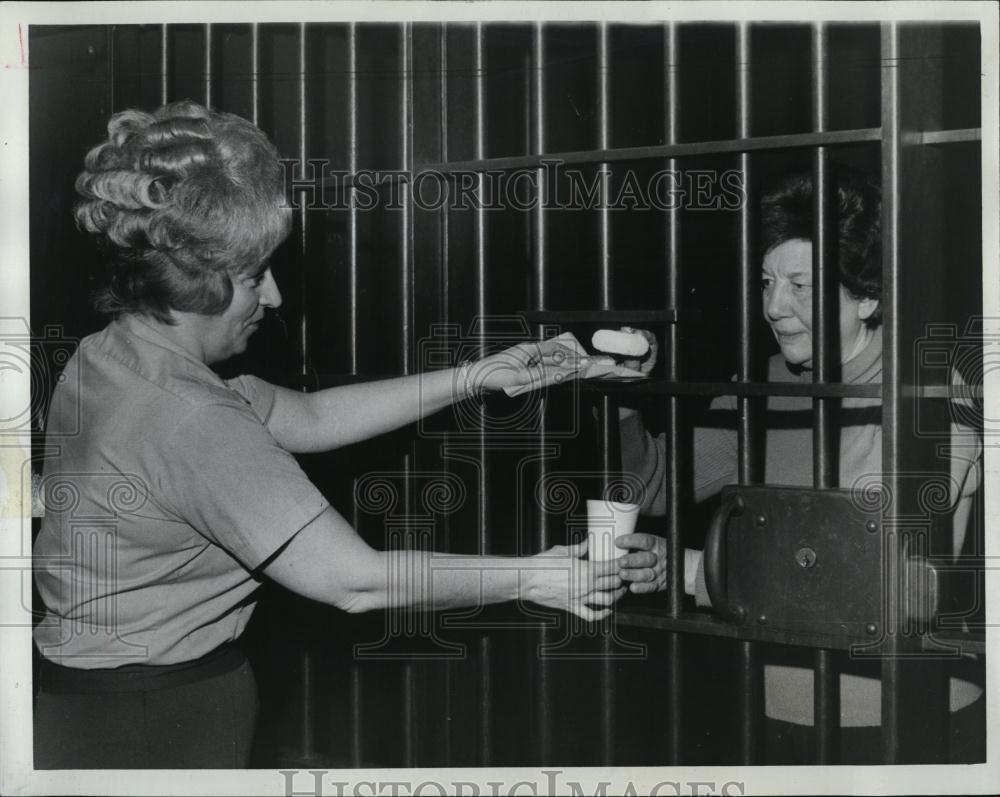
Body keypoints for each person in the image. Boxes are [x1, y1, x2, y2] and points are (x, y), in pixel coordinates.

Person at [32, 100, 625, 769]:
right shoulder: (193, 419)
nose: (277, 296)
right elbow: (355, 581)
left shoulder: (109, 356)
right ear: (194, 281)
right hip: (151, 717)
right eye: (256, 276)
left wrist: (475, 378)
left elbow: (307, 418)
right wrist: (535, 577)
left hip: (84, 702)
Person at [612, 168, 984, 763]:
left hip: (905, 714)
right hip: (779, 708)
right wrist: (624, 394)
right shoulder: (765, 383)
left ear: (868, 295)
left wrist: (684, 572)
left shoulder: (927, 390)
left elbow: (862, 581)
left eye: (801, 286)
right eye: (765, 283)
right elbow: (655, 488)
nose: (774, 308)